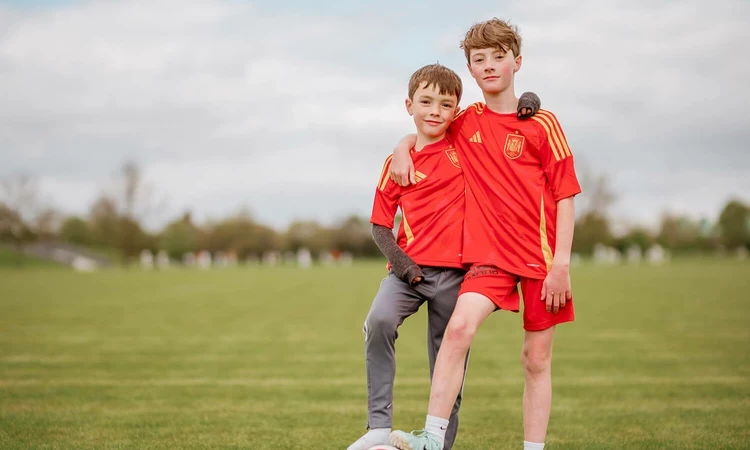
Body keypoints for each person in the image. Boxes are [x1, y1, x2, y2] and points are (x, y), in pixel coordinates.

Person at [388, 18, 582, 450]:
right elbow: (427, 125)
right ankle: (431, 440)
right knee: (458, 331)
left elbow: (566, 195)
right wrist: (403, 146)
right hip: (489, 258)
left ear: (517, 61)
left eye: (499, 57)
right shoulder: (465, 119)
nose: (490, 65)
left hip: (543, 260)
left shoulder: (543, 123)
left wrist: (562, 265)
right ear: (471, 71)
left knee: (536, 360)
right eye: (480, 60)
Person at [347, 63, 539, 450]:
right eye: (426, 102)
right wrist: (405, 268)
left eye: (445, 104)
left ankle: (439, 444)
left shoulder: (465, 146)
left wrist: (529, 102)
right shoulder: (396, 162)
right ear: (409, 105)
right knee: (379, 321)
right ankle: (378, 427)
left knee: (448, 362)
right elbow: (380, 227)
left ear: (456, 111)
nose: (435, 110)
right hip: (407, 273)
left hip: (458, 277)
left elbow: (504, 113)